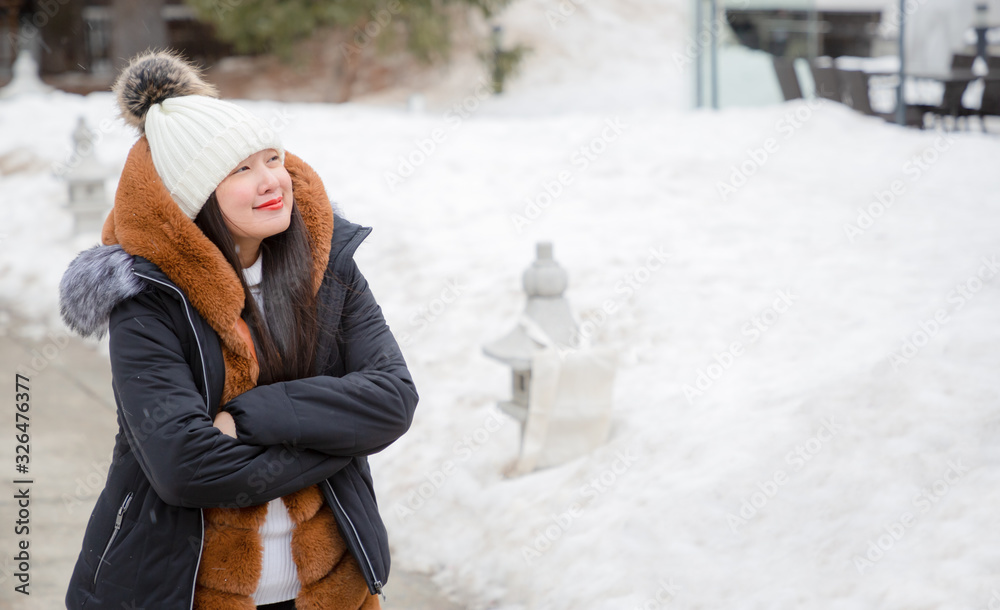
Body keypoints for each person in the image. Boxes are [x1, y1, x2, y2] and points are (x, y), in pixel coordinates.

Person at [59, 49, 418, 610]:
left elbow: (393, 398)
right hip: (181, 591)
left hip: (329, 588)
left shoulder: (329, 266)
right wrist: (338, 437)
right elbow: (183, 466)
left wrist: (250, 417)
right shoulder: (149, 300)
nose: (271, 180)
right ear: (195, 196)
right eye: (240, 169)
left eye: (272, 158)